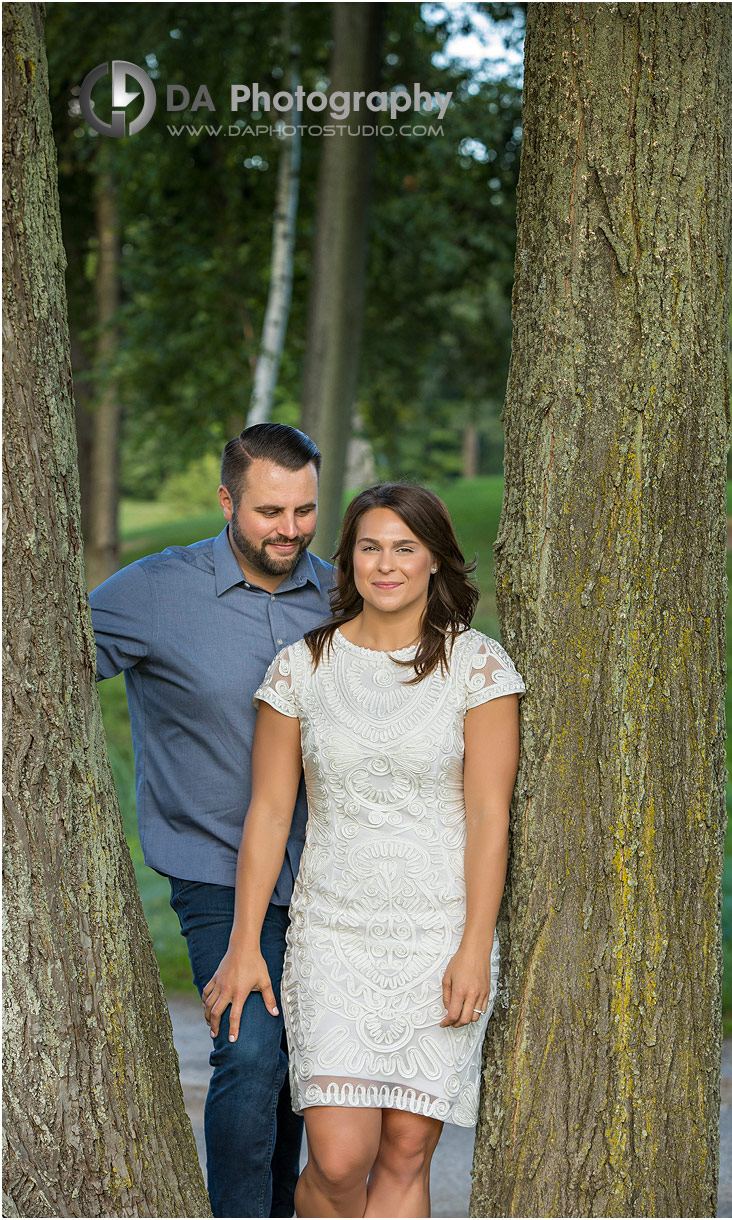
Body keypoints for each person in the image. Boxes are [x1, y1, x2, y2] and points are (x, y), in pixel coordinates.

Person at [203, 482, 524, 1218]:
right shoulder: (300, 668)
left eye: (404, 548)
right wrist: (246, 943)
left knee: (406, 1156)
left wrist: (474, 946)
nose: (386, 565)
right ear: (347, 561)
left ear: (435, 561)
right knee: (340, 1163)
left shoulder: (478, 668)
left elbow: (488, 815)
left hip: (439, 938)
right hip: (335, 940)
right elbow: (270, 812)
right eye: (369, 547)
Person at [89, 423, 334, 1218]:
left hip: (334, 873)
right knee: (253, 1053)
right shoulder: (153, 592)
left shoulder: (342, 595)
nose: (288, 529)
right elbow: (32, 659)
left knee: (305, 1067)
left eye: (303, 510)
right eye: (269, 511)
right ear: (227, 500)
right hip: (215, 870)